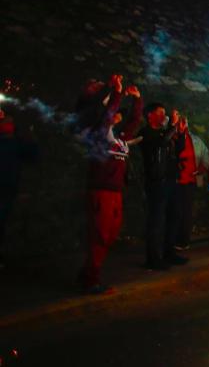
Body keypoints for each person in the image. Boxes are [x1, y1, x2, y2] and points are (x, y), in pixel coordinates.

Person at [78, 76, 142, 293]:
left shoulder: (119, 137)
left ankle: (88, 271)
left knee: (111, 233)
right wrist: (115, 91)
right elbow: (104, 116)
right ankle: (90, 279)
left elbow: (134, 123)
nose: (116, 115)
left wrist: (136, 100)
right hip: (101, 189)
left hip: (115, 191)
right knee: (101, 234)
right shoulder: (96, 133)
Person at [139, 103, 188, 270]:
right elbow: (159, 144)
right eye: (160, 113)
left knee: (174, 216)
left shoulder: (164, 132)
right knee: (157, 220)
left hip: (170, 179)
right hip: (156, 182)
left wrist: (180, 133)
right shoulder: (146, 133)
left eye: (165, 113)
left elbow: (178, 149)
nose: (164, 117)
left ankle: (169, 252)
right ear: (150, 115)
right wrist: (173, 127)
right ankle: (153, 258)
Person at [0, 107, 38, 271]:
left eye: (9, 122)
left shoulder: (16, 142)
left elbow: (33, 155)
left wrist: (29, 136)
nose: (7, 124)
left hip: (7, 189)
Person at [173, 118, 209, 251]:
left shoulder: (196, 140)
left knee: (186, 211)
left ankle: (183, 240)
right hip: (175, 181)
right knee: (176, 211)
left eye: (185, 122)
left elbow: (206, 155)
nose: (183, 124)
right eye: (180, 122)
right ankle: (174, 239)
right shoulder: (172, 139)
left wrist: (201, 169)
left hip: (190, 181)